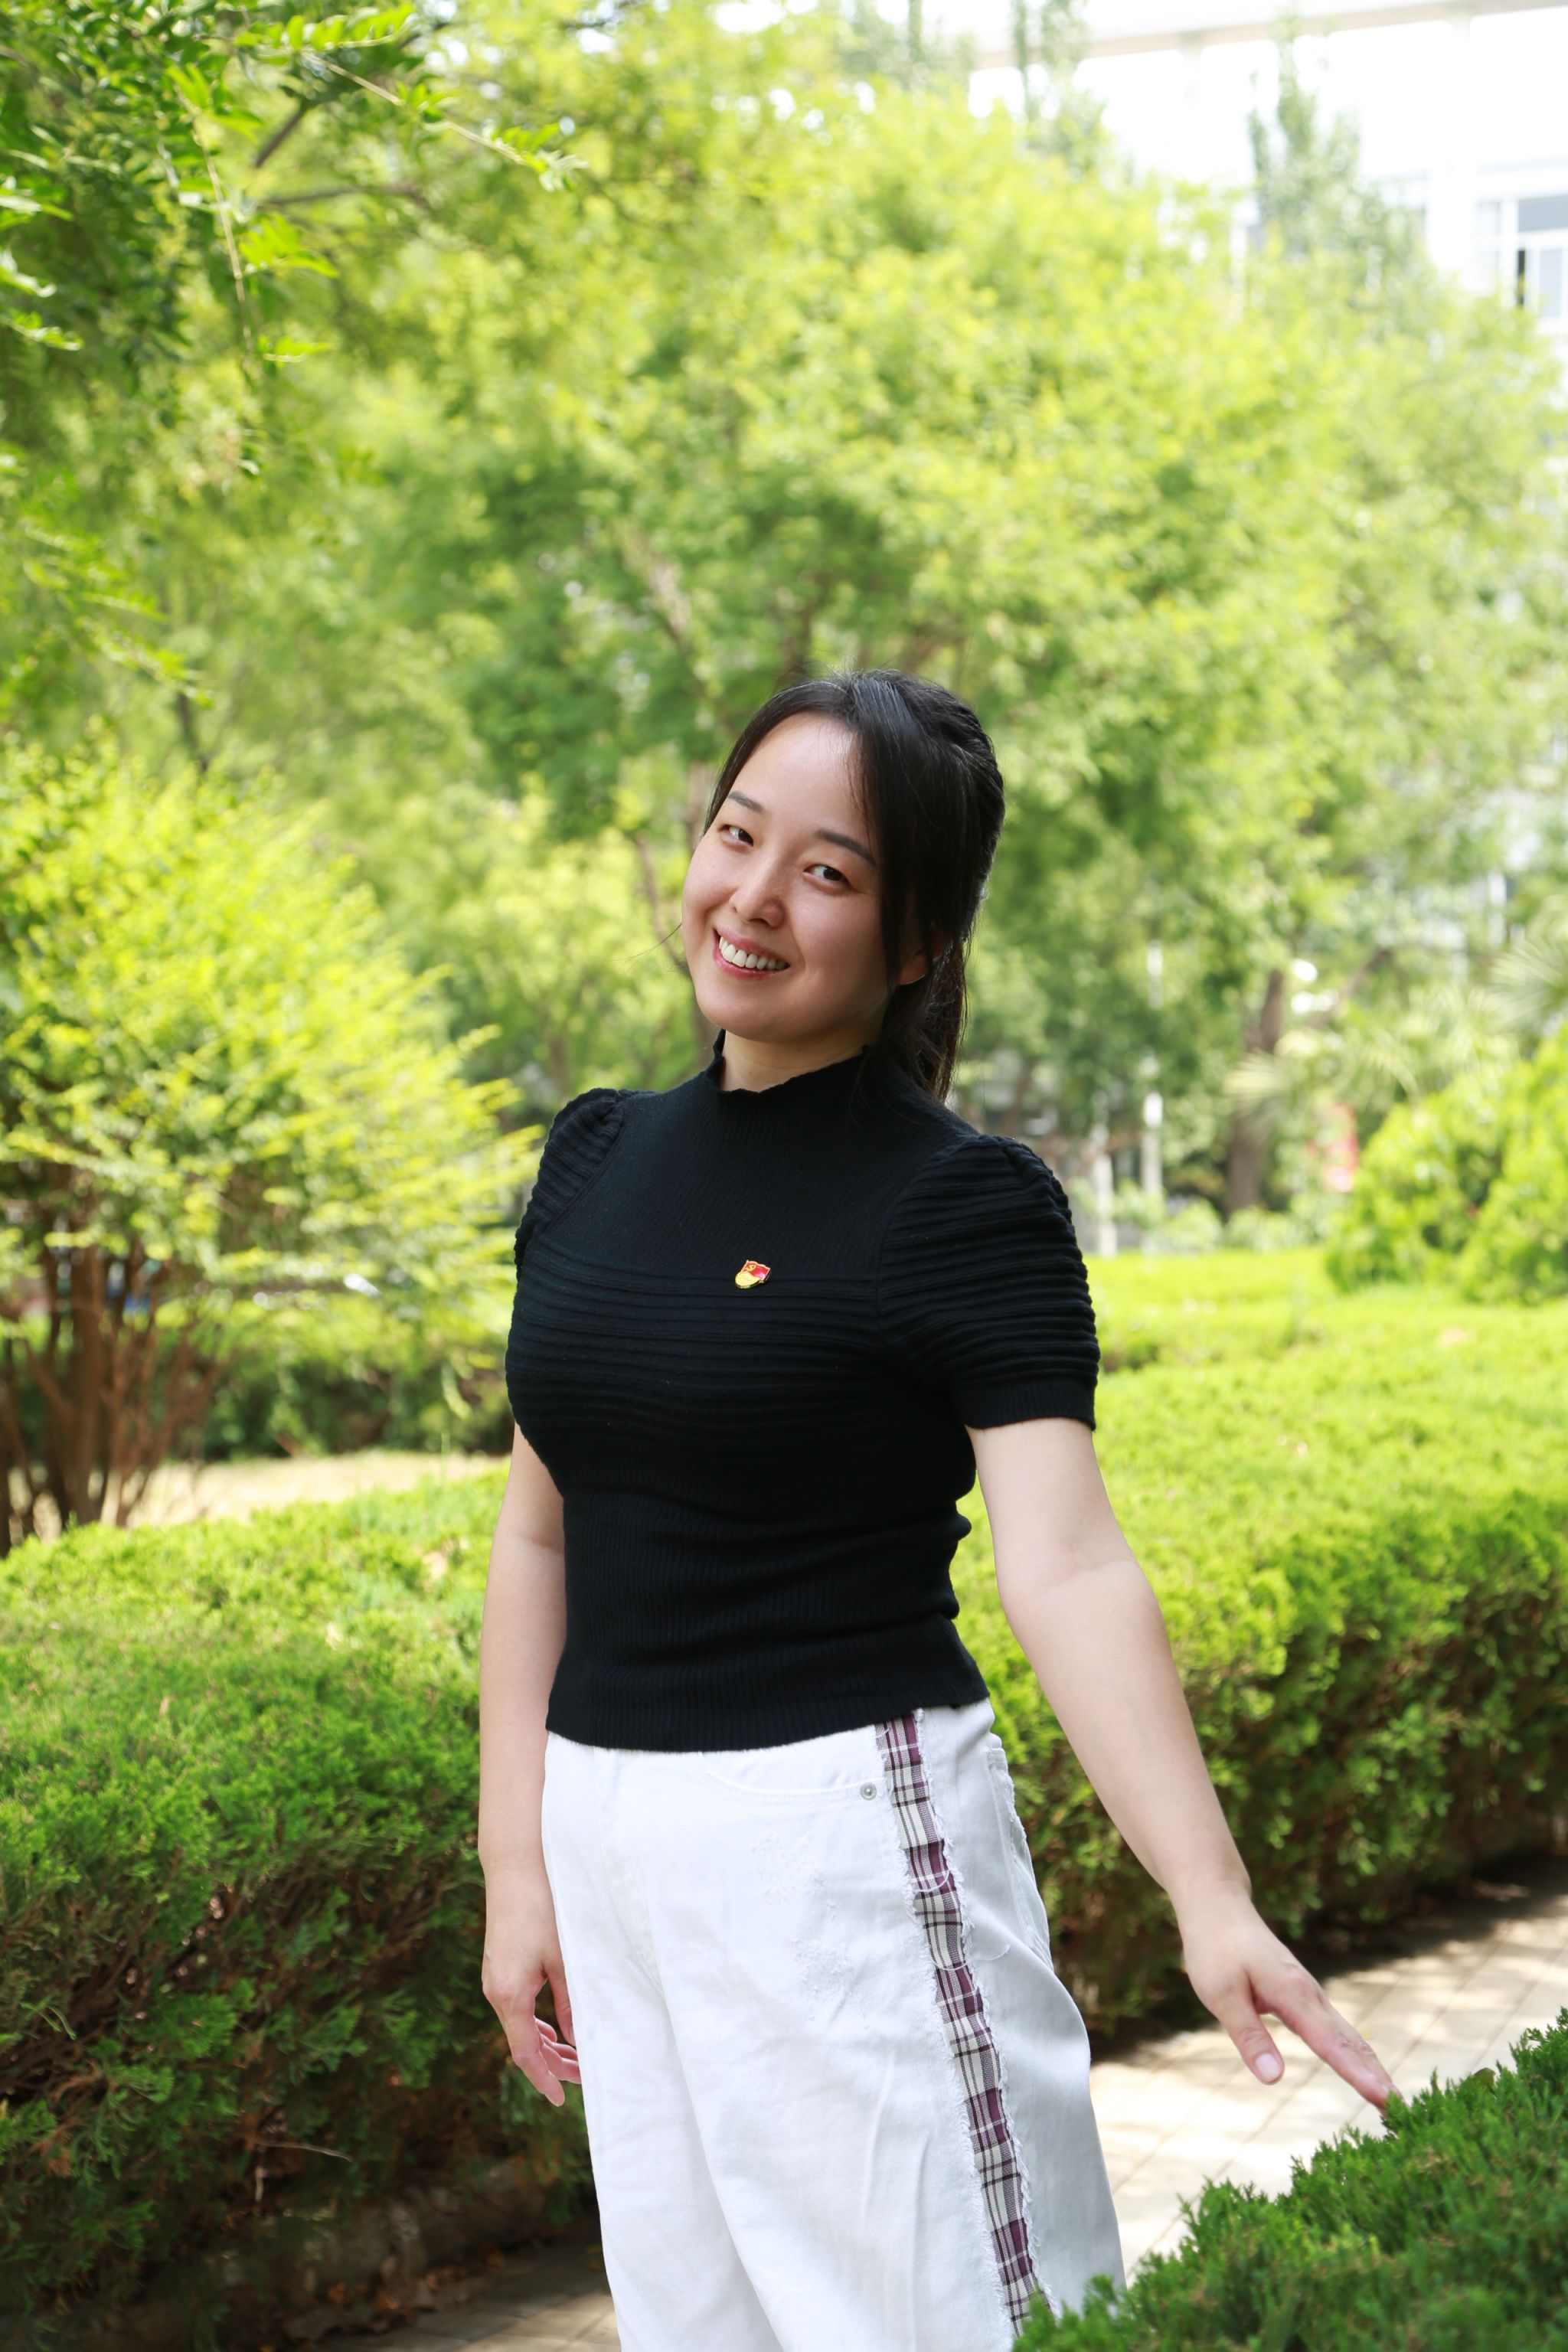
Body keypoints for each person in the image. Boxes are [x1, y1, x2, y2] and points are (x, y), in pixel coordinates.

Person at [477, 670, 1393, 2352]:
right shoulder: (596, 1159)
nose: (754, 896)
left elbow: (1068, 1563)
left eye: (825, 871)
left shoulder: (960, 1203)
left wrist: (1208, 1894)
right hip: (609, 1842)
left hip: (838, 1846)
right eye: (737, 836)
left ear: (916, 943)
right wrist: (514, 1864)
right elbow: (542, 1531)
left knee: (944, 2324)